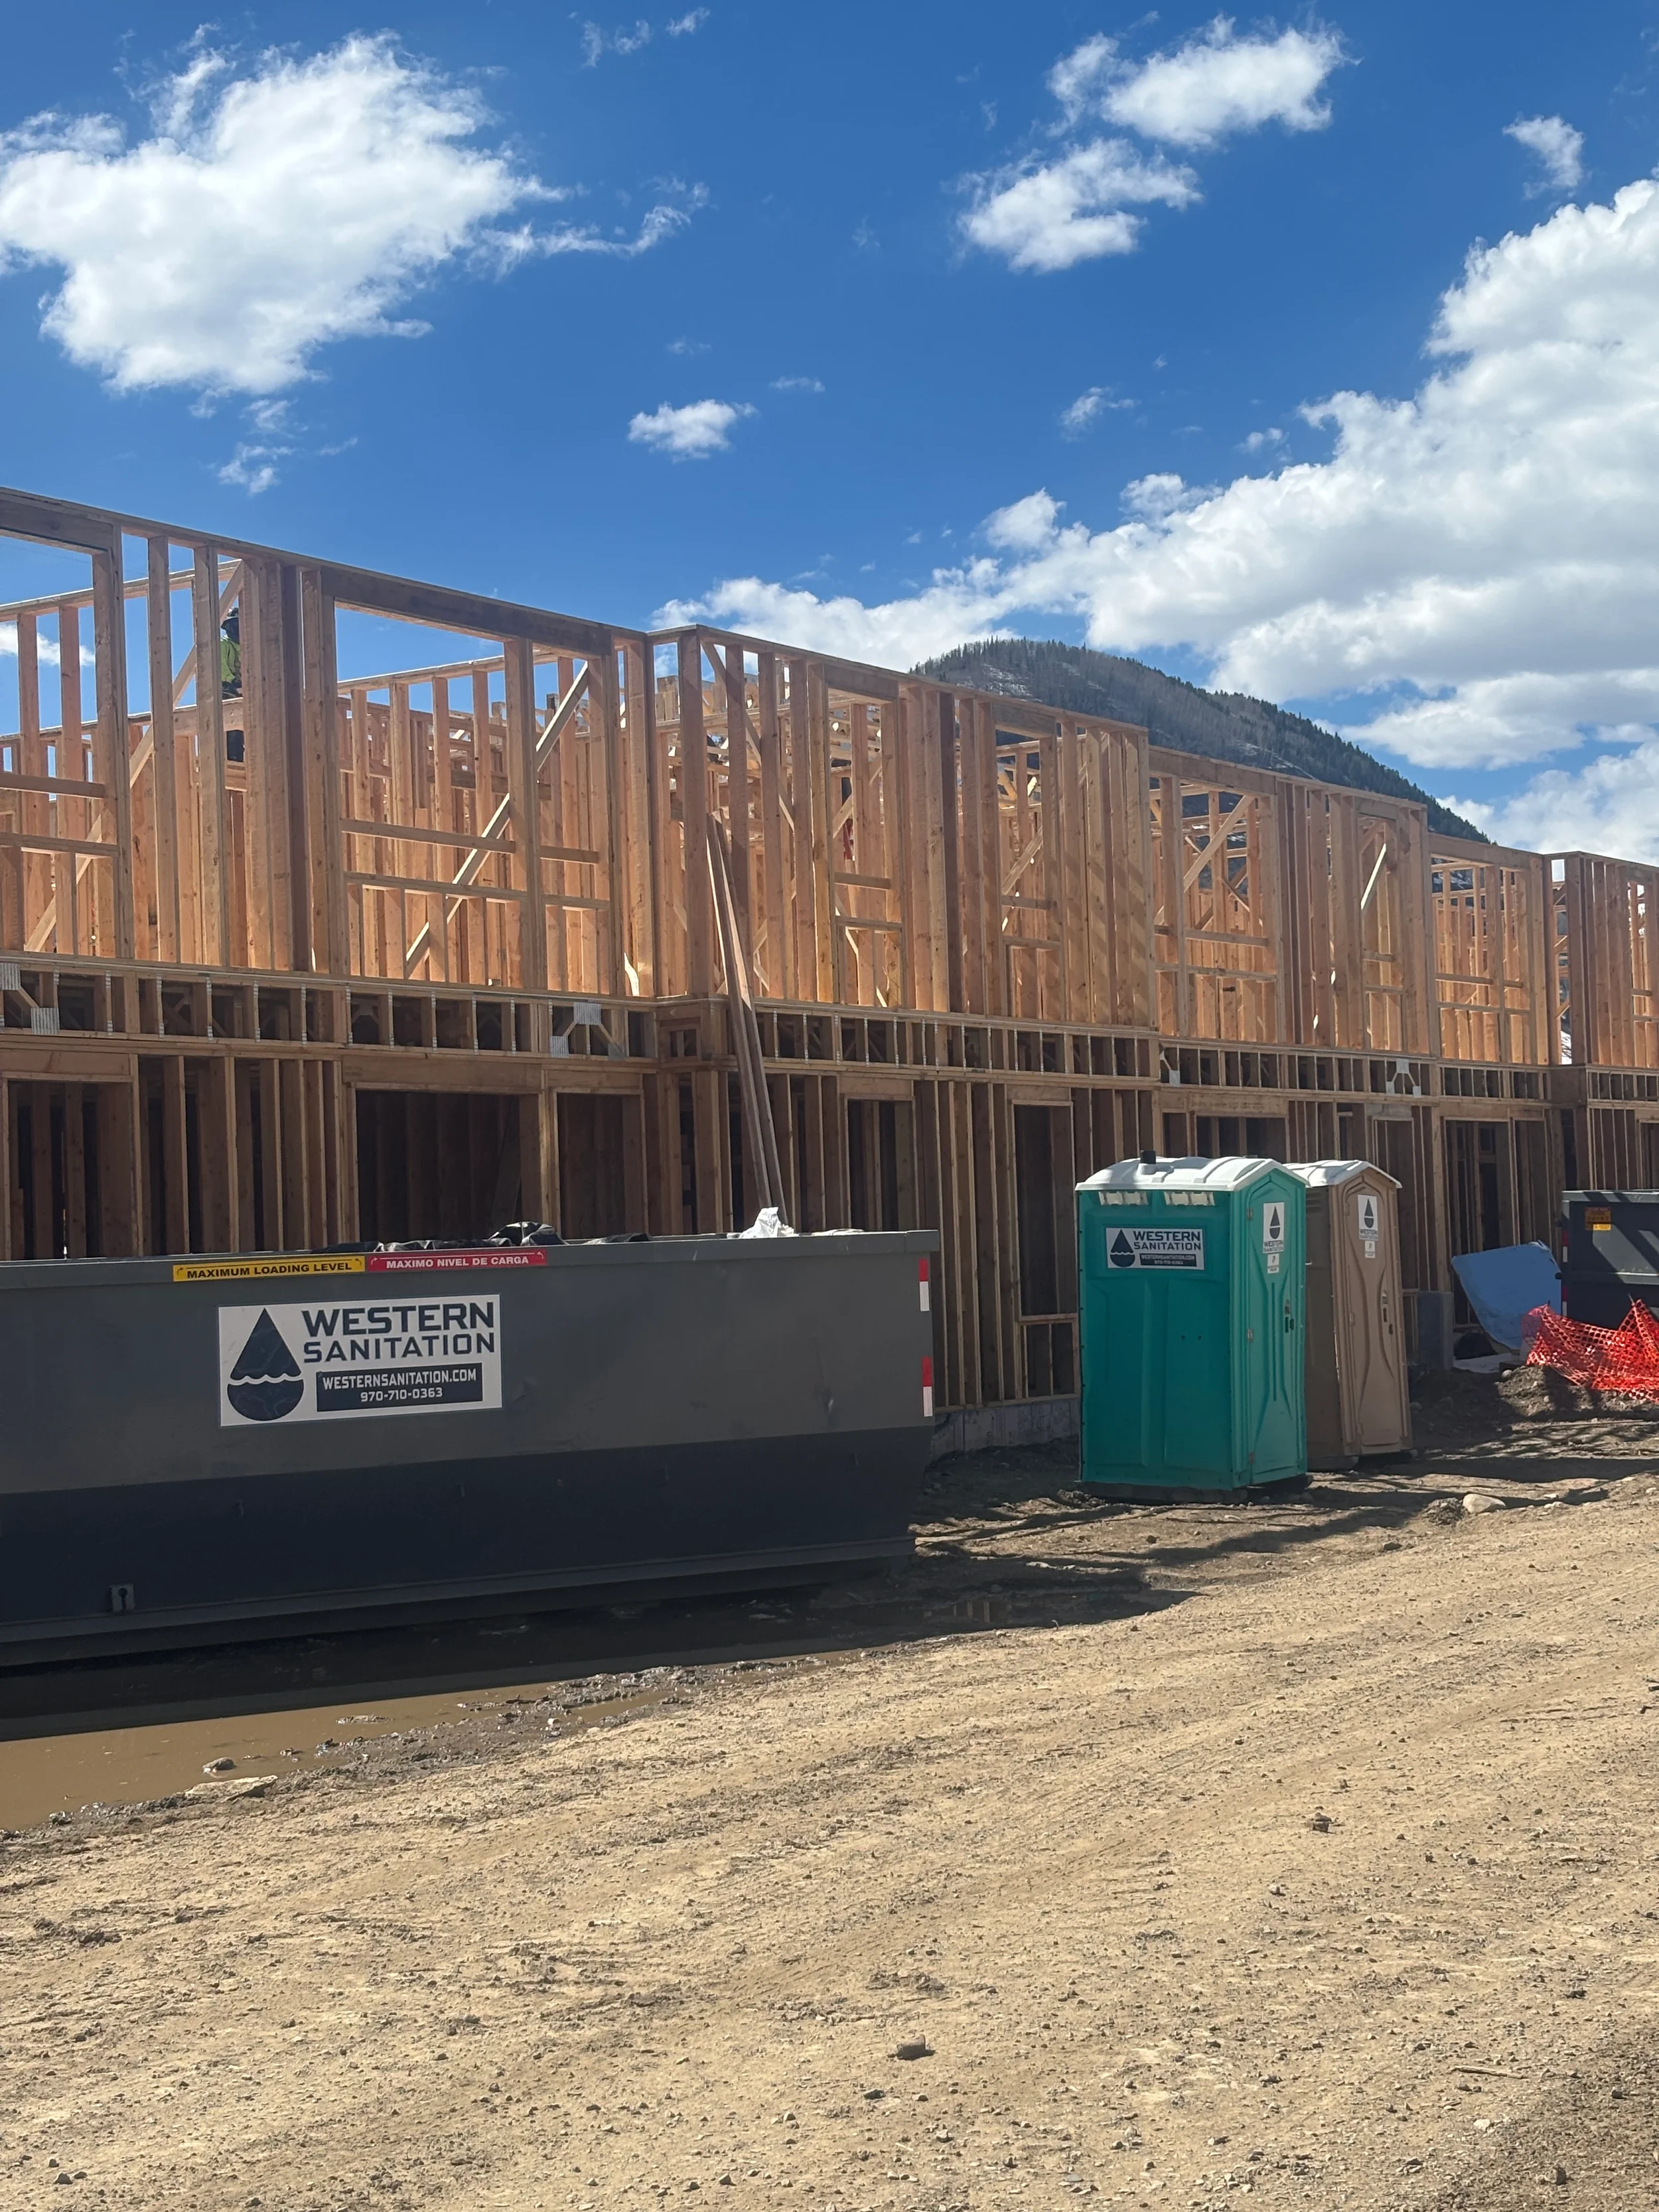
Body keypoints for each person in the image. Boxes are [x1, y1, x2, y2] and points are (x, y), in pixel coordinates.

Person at [221, 609, 245, 761]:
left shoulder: (244, 649)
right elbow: (220, 665)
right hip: (225, 691)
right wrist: (232, 681)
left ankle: (237, 758)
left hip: (239, 692)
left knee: (240, 727)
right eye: (235, 624)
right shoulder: (224, 644)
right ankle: (230, 759)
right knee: (228, 727)